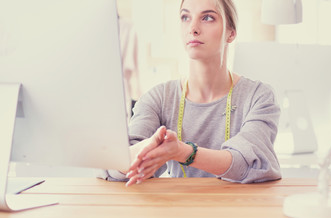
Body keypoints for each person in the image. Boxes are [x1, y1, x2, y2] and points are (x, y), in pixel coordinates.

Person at [102, 0, 281, 186]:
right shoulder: (158, 99)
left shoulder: (258, 97)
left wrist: (183, 152)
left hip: (240, 210)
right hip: (179, 211)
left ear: (231, 33)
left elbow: (251, 165)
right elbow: (114, 166)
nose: (193, 28)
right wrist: (146, 150)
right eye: (185, 17)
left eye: (208, 17)